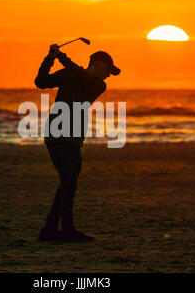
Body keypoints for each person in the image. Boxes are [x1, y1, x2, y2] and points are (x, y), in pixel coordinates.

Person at [35, 44, 121, 242]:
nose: (108, 75)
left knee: (69, 182)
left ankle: (51, 229)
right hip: (56, 135)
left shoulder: (98, 85)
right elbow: (40, 82)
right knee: (68, 180)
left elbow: (82, 77)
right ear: (97, 64)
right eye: (107, 70)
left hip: (74, 138)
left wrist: (62, 57)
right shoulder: (70, 73)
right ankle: (65, 229)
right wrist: (50, 58)